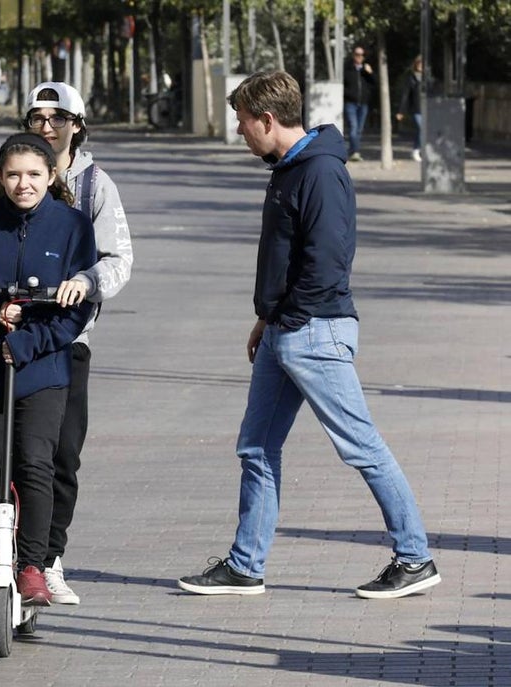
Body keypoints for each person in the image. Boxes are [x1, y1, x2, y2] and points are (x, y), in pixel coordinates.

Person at [177, 70, 441, 600]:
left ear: (268, 120)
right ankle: (246, 566)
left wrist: (289, 321)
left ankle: (415, 558)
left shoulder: (319, 173)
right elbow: (289, 260)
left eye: (243, 122)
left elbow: (327, 262)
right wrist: (267, 318)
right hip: (287, 329)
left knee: (361, 447)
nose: (240, 132)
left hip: (313, 332)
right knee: (256, 447)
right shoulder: (290, 168)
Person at [0, 81, 133, 605]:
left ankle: (45, 562)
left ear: (77, 124)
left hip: (59, 344)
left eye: (58, 117)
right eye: (37, 118)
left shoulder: (92, 191)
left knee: (53, 458)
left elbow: (114, 261)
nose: (47, 126)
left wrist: (87, 285)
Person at [0, 132, 97, 608]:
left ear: (51, 177)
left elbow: (78, 309)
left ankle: (33, 565)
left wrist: (30, 338)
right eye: (12, 174)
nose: (23, 184)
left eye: (34, 174)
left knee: (36, 464)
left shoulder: (72, 226)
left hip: (43, 366)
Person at [343, 45, 375, 162]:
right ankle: (355, 152)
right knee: (353, 127)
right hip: (350, 103)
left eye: (362, 55)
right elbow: (344, 84)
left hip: (363, 103)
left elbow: (374, 84)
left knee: (359, 129)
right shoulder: (347, 69)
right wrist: (348, 94)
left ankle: (352, 150)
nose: (359, 57)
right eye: (357, 54)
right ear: (353, 55)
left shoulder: (366, 70)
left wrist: (370, 73)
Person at [396, 55, 425, 162]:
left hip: (427, 108)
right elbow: (405, 96)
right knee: (422, 129)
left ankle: (416, 149)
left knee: (421, 131)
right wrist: (401, 111)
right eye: (419, 63)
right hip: (417, 109)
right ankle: (417, 150)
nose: (421, 65)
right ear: (415, 64)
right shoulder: (411, 78)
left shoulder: (428, 78)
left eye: (423, 63)